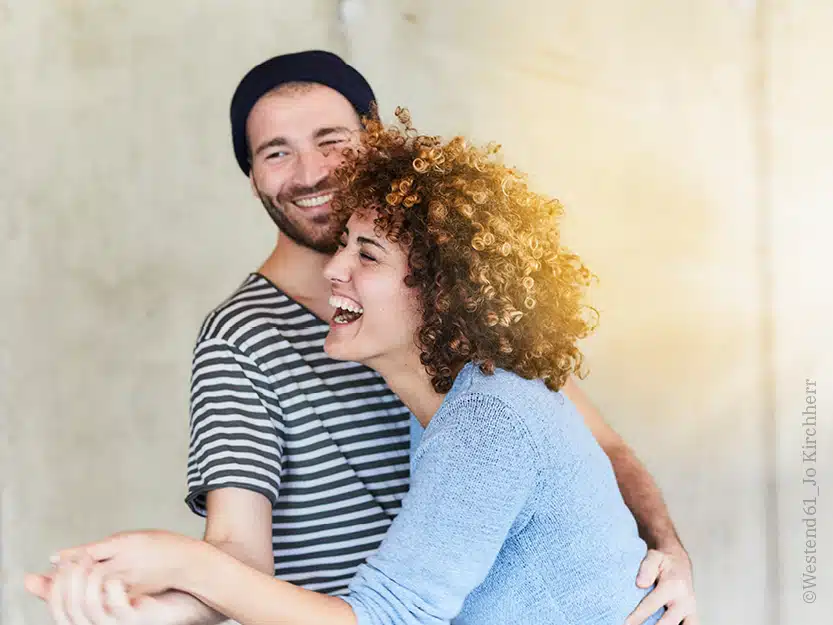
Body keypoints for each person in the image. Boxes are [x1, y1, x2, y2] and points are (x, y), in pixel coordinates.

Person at [26, 50, 696, 625]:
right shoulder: (245, 338)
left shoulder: (482, 367)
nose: (310, 171)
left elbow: (595, 449)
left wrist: (665, 554)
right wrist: (157, 604)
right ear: (252, 175)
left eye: (331, 140)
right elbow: (237, 549)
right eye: (276, 151)